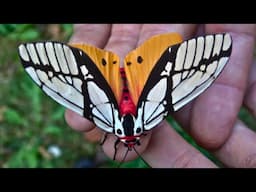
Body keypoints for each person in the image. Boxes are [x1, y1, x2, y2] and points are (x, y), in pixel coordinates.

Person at [64, 24, 256, 168]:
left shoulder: (117, 121)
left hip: (117, 78)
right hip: (143, 72)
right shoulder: (143, 119)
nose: (131, 141)